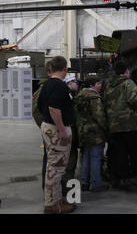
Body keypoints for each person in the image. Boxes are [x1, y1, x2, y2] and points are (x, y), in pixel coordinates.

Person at [103, 61, 137, 188]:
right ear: (126, 71)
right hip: (129, 124)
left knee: (118, 153)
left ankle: (118, 177)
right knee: (133, 152)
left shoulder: (109, 85)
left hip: (114, 125)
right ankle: (133, 177)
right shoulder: (128, 83)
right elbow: (133, 100)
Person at [37, 56, 75, 214]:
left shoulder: (47, 84)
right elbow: (54, 108)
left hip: (48, 126)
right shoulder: (59, 86)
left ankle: (56, 200)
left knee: (54, 167)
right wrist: (62, 129)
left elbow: (40, 105)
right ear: (65, 69)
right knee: (56, 168)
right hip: (56, 129)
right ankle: (52, 204)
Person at [74, 76, 109, 192]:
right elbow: (99, 116)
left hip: (83, 132)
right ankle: (95, 184)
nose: (100, 85)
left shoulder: (79, 97)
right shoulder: (94, 98)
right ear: (92, 86)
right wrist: (106, 129)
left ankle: (84, 182)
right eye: (98, 83)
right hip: (95, 133)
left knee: (85, 157)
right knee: (95, 158)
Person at [32, 60, 53, 191]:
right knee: (49, 159)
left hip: (48, 127)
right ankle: (47, 187)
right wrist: (45, 124)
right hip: (50, 128)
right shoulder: (44, 88)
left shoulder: (46, 87)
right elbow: (36, 111)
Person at [62, 74, 80, 195]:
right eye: (74, 82)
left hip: (71, 132)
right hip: (68, 132)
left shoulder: (72, 95)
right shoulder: (67, 95)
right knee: (69, 162)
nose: (77, 84)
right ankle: (66, 189)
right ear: (68, 83)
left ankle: (67, 187)